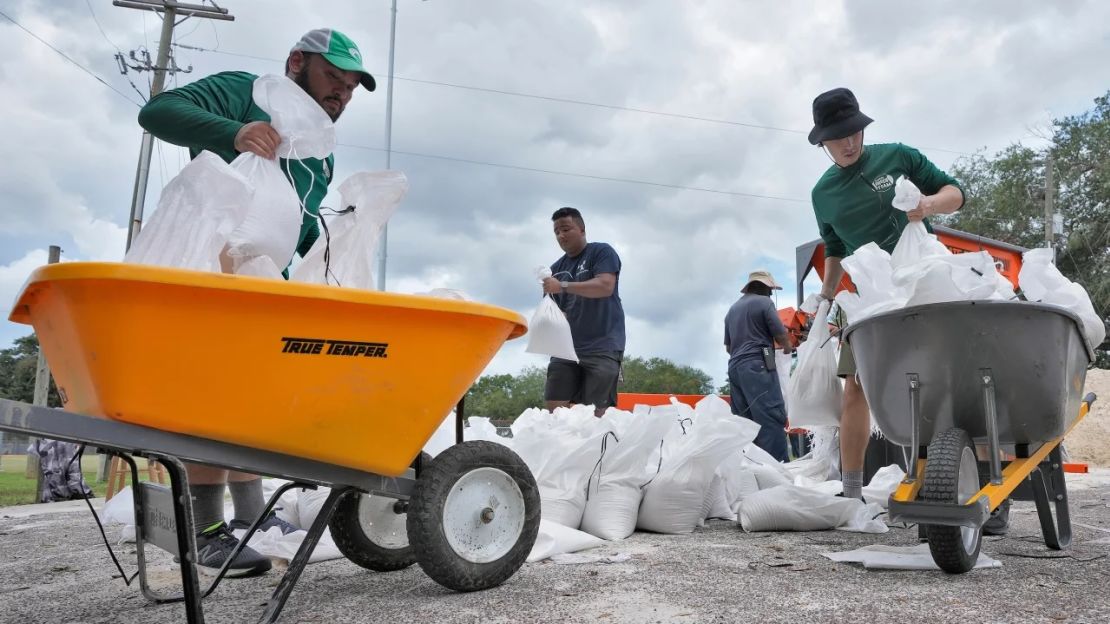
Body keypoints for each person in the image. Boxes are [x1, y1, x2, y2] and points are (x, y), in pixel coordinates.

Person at [137, 28, 376, 577]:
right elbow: (159, 113)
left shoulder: (318, 154)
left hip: (267, 284)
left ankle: (252, 516)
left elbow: (299, 229)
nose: (339, 94)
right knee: (212, 393)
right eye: (331, 79)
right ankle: (203, 528)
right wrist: (235, 131)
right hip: (211, 265)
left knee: (249, 399)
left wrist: (341, 252)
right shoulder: (247, 92)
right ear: (297, 63)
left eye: (348, 88)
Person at [807, 87, 964, 500]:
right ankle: (852, 491)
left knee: (950, 381)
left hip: (922, 283)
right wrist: (824, 299)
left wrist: (927, 205)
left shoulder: (897, 155)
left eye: (853, 132)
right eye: (837, 136)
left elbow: (956, 193)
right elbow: (835, 248)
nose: (848, 142)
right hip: (867, 299)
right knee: (856, 384)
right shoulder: (822, 194)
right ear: (821, 140)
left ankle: (964, 484)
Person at [540, 207, 626, 417]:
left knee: (596, 412)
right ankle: (561, 446)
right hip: (565, 349)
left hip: (602, 345)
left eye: (566, 229)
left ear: (582, 229)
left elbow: (605, 286)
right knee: (555, 409)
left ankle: (598, 448)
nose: (561, 235)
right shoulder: (555, 269)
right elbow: (554, 313)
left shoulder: (601, 252)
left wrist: (564, 286)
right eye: (557, 232)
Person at [724, 270, 793, 461]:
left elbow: (728, 347)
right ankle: (778, 471)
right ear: (762, 287)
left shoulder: (732, 310)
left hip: (735, 369)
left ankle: (749, 471)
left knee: (744, 423)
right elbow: (780, 335)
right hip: (758, 365)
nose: (771, 294)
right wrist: (789, 348)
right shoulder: (764, 303)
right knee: (770, 417)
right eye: (770, 289)